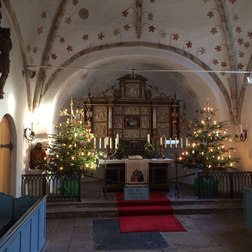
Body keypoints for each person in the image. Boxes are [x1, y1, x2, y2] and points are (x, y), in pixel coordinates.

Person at [0, 28, 12, 99]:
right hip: (3, 59)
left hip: (6, 61)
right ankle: (0, 89)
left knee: (5, 74)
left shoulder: (8, 42)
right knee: (5, 74)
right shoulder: (2, 38)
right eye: (8, 33)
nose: (9, 35)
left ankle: (1, 89)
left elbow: (9, 48)